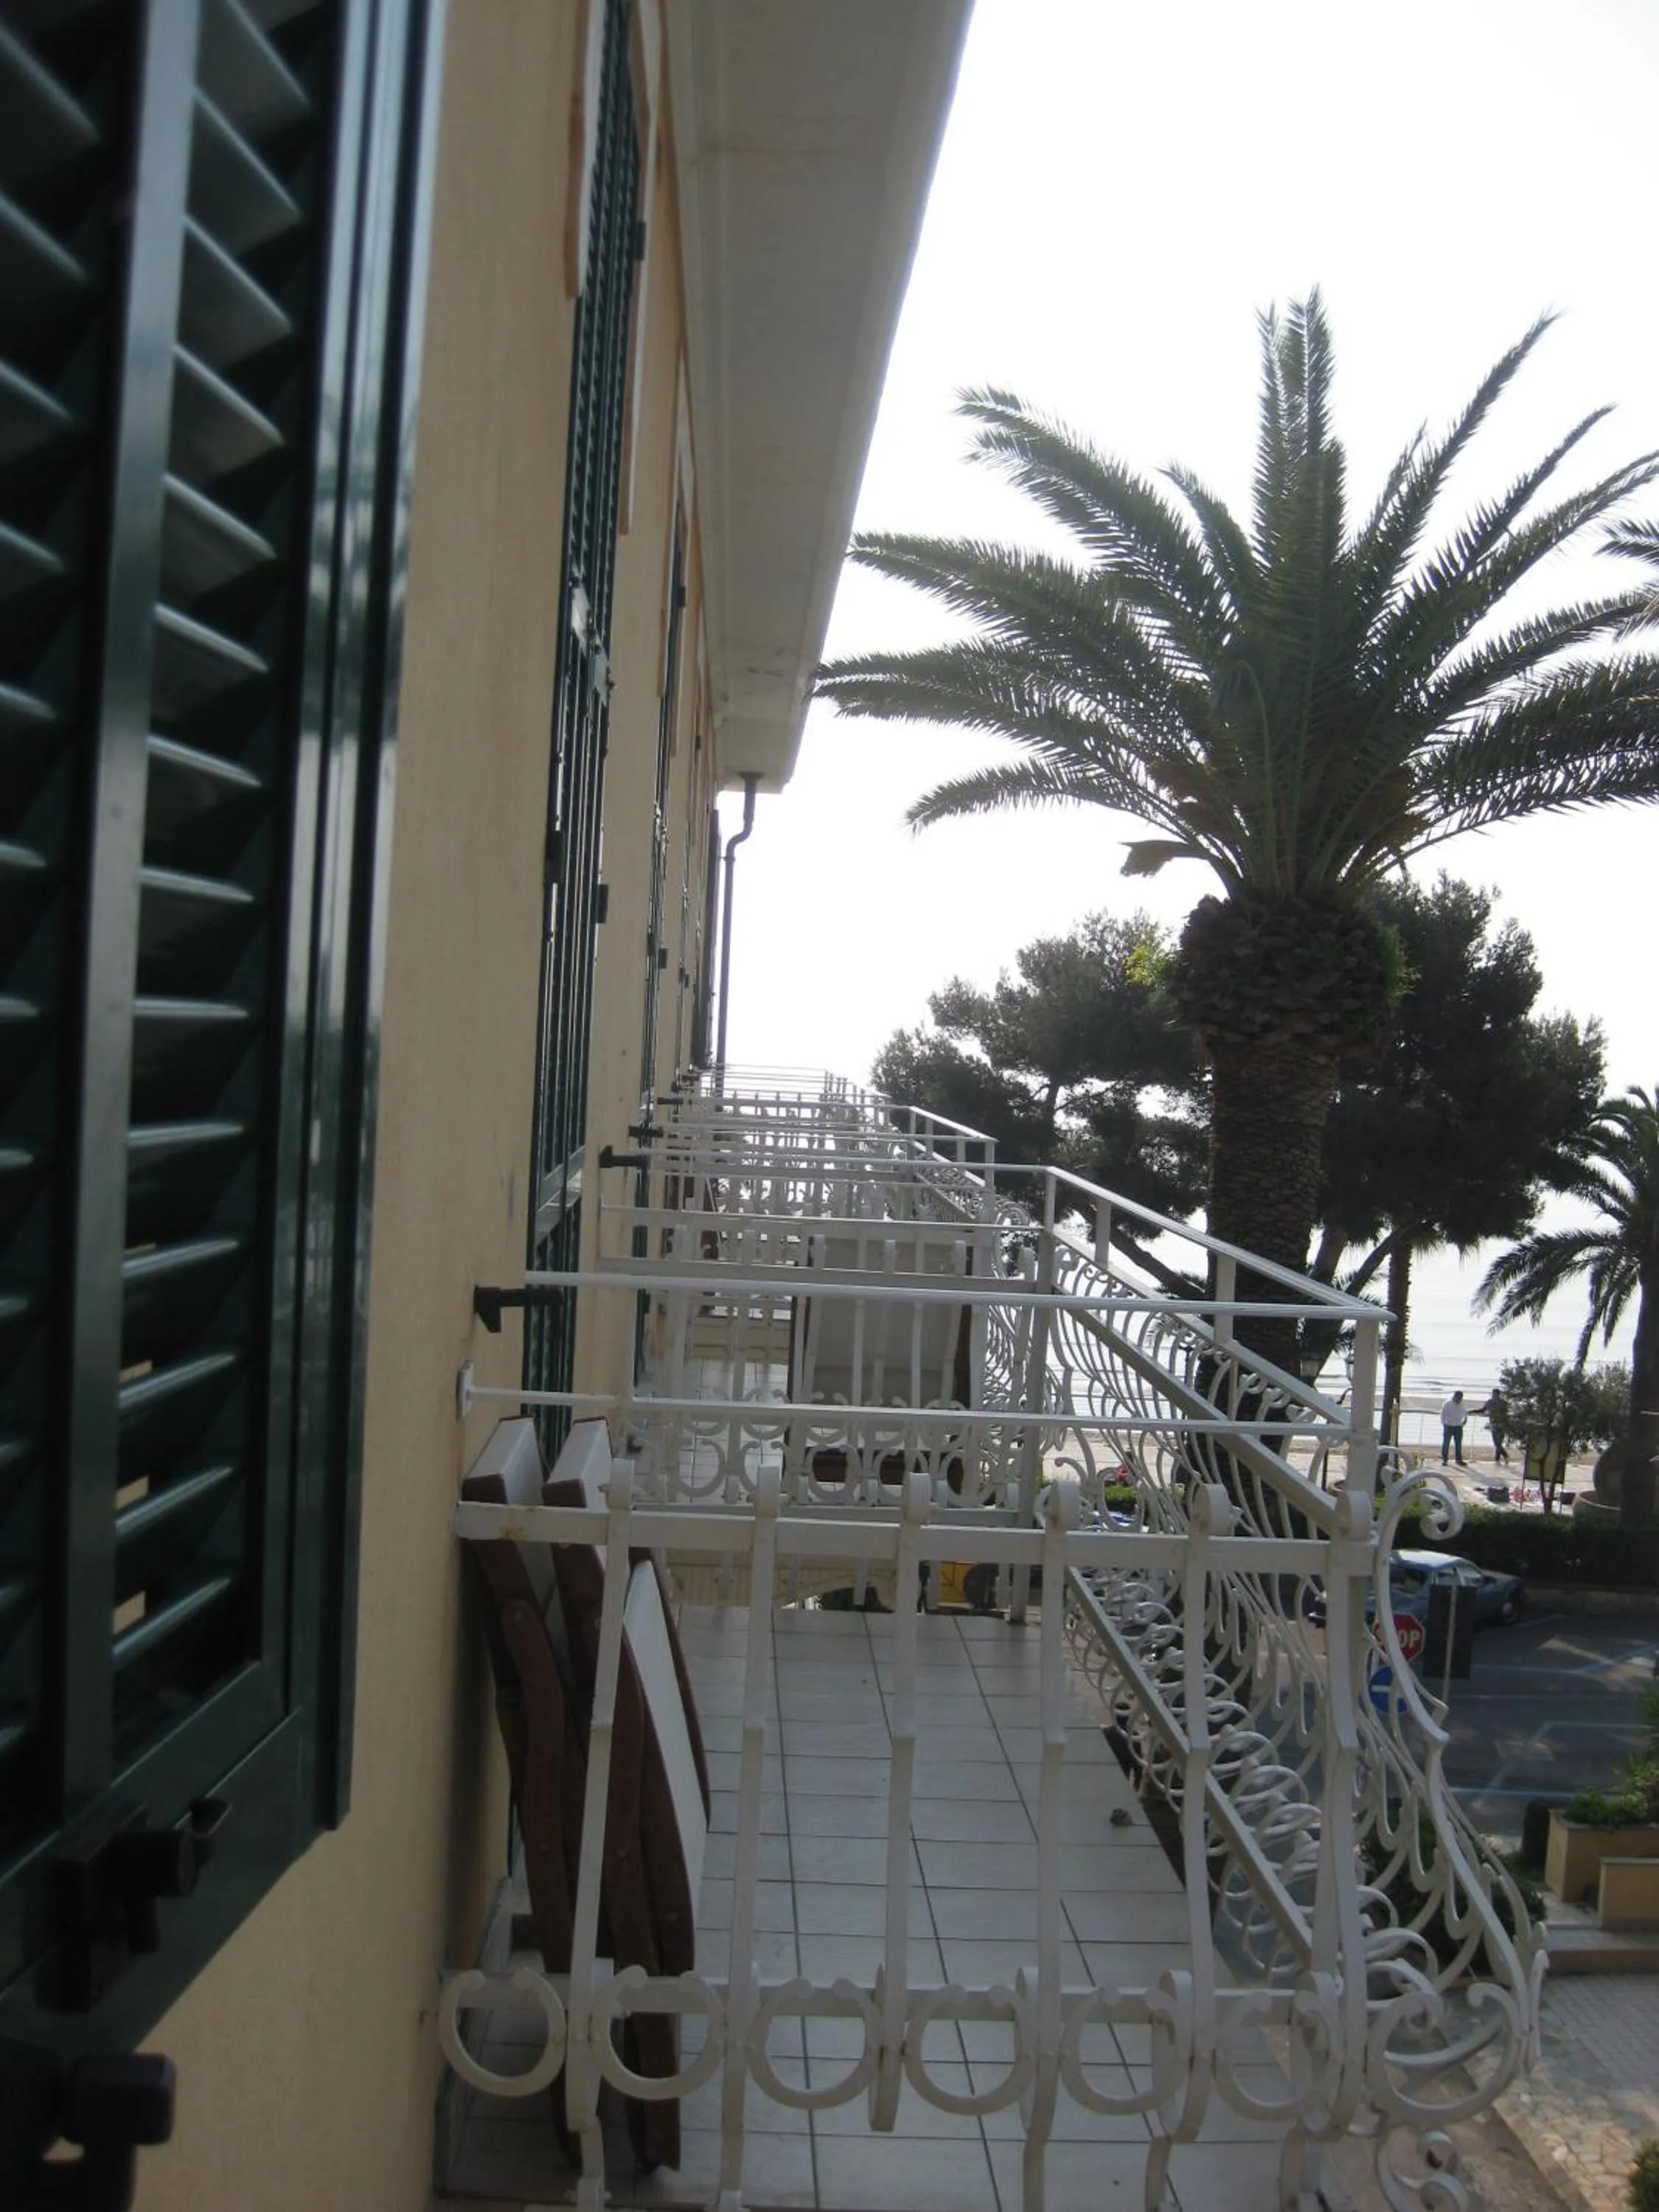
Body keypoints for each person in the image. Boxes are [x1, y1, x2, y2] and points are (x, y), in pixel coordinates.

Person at [1480, 1388, 1511, 1466]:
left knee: (1498, 1443)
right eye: (1493, 1394)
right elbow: (1483, 1410)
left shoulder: (1503, 1403)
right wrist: (1472, 1411)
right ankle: (1499, 1459)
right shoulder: (1489, 1402)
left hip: (1502, 1425)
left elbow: (1506, 1415)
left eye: (1495, 1394)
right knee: (1497, 1443)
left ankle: (1503, 1457)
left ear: (1499, 1395)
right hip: (1493, 1426)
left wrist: (1507, 1425)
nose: (1494, 1396)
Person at [1440, 1389, 1470, 1467]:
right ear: (1455, 1396)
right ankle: (1445, 1459)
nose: (1459, 1400)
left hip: (1458, 1426)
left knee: (1458, 1444)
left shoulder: (1462, 1404)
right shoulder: (1447, 1404)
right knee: (1446, 1443)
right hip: (1448, 1425)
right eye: (1458, 1398)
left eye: (1461, 1398)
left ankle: (1458, 1460)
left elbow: (1465, 1413)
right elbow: (1443, 1415)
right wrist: (1444, 1424)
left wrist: (1465, 1421)